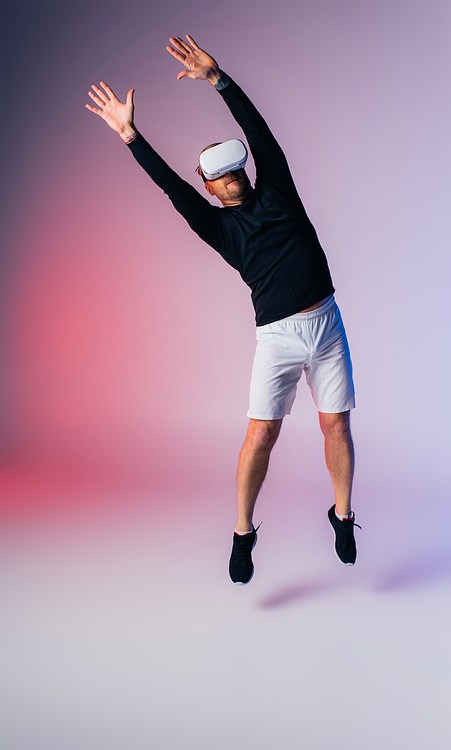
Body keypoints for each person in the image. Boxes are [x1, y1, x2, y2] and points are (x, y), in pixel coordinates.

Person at [86, 34, 360, 585]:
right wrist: (130, 136)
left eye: (237, 170)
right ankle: (242, 532)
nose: (232, 178)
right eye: (221, 176)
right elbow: (169, 187)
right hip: (278, 337)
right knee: (261, 434)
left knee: (337, 425)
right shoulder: (216, 227)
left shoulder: (278, 190)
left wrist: (219, 80)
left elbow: (262, 137)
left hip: (327, 323)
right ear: (209, 187)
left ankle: (344, 515)